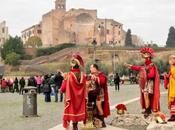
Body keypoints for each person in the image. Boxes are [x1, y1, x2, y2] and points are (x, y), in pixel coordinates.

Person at [125, 47, 160, 118]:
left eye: (147, 53)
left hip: (149, 83)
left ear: (150, 55)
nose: (145, 54)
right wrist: (131, 66)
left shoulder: (151, 65)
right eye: (144, 53)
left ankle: (148, 109)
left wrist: (145, 74)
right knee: (145, 96)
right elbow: (139, 68)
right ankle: (147, 109)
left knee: (147, 96)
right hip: (145, 83)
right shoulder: (145, 65)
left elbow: (152, 75)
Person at [60, 54, 87, 130]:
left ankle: (74, 127)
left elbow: (63, 89)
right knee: (78, 112)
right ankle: (75, 126)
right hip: (80, 99)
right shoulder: (83, 75)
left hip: (71, 98)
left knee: (72, 112)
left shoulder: (68, 76)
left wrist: (63, 80)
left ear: (72, 66)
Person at [164, 55, 175, 121]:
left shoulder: (174, 68)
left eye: (171, 59)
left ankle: (173, 116)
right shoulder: (172, 68)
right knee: (173, 102)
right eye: (169, 59)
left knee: (173, 102)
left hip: (174, 88)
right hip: (172, 87)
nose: (169, 61)